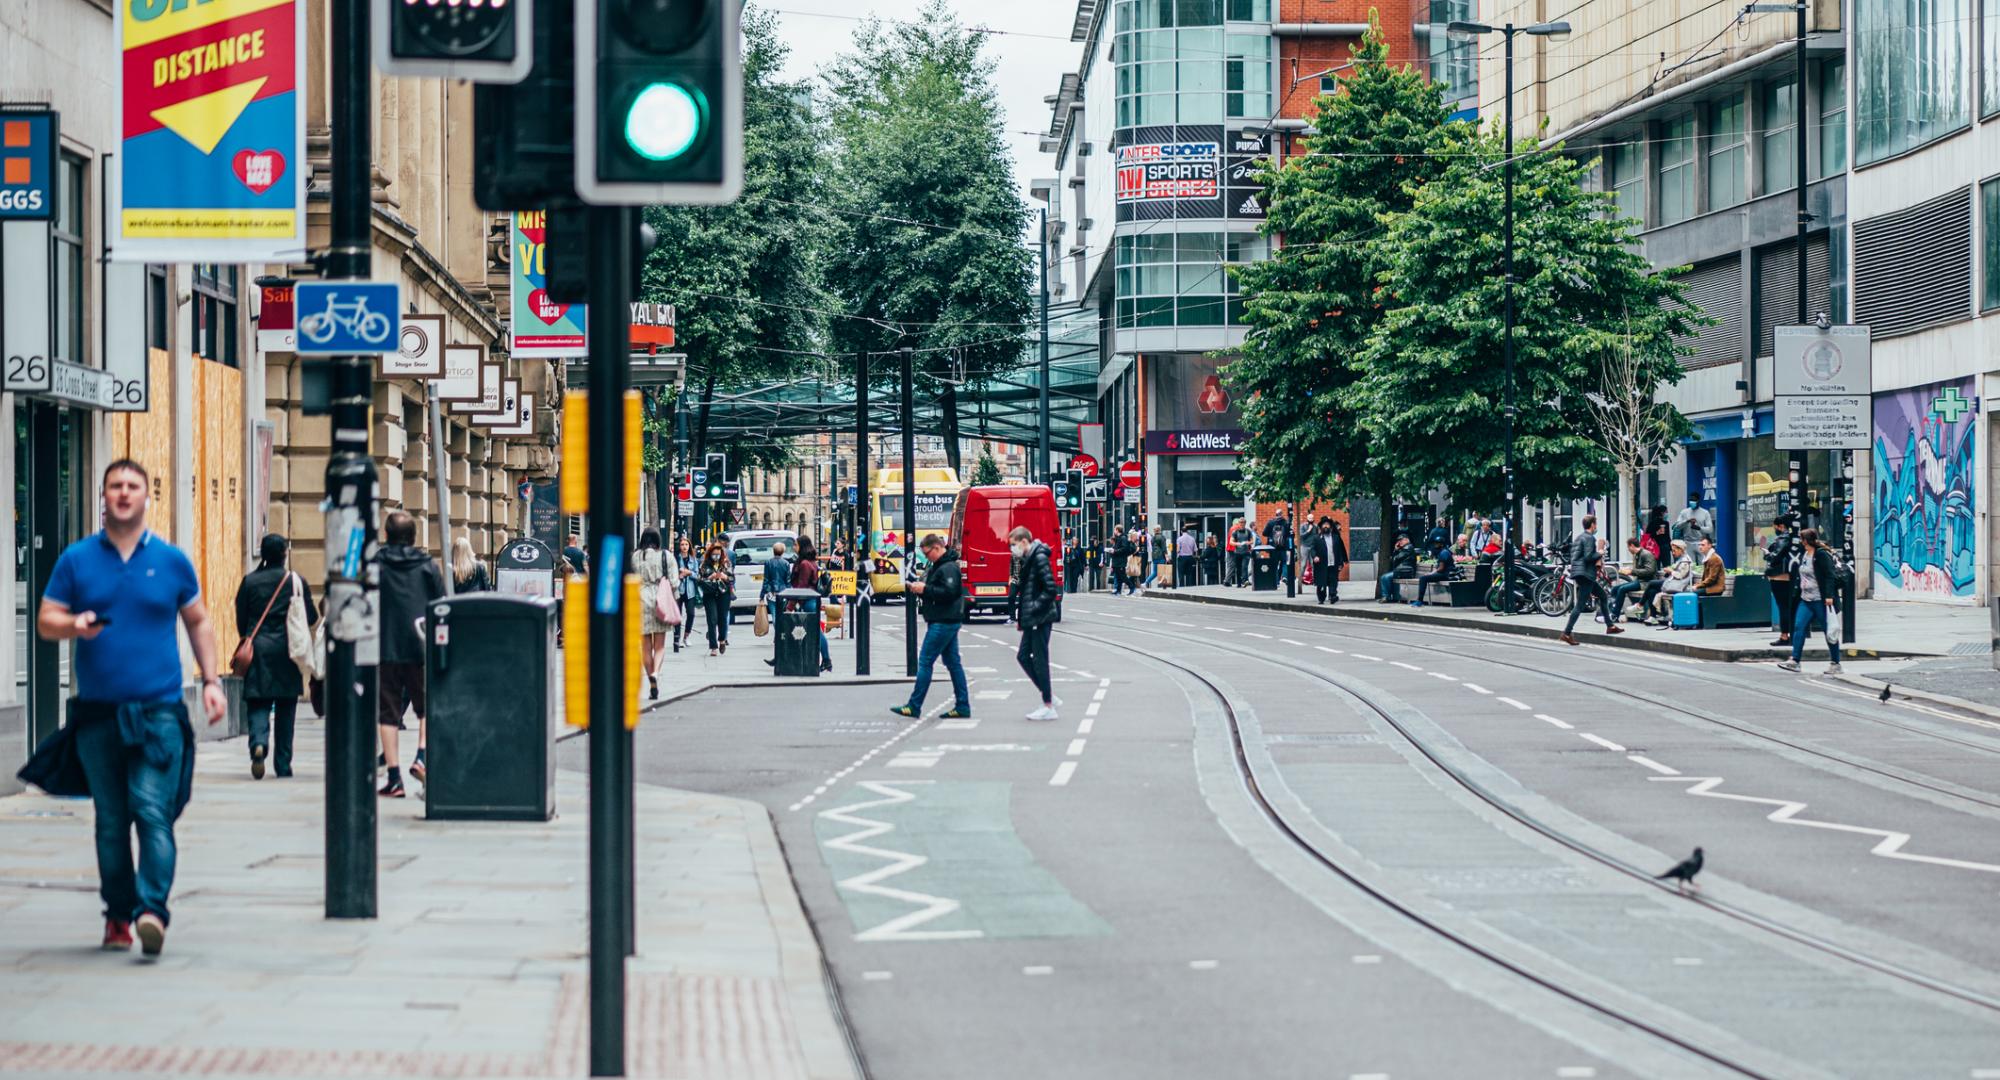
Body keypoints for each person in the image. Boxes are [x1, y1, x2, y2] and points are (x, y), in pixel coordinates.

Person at [22, 459, 226, 958]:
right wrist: (74, 626)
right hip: (97, 716)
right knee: (112, 821)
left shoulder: (173, 561)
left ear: (146, 497)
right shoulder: (77, 560)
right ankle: (118, 913)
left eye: (132, 485)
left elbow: (198, 620)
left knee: (153, 811)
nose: (124, 493)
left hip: (158, 713)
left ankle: (151, 910)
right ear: (103, 496)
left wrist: (213, 681)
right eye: (115, 485)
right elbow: (47, 619)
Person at [233, 533, 316, 779]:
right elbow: (310, 617)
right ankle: (283, 764)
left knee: (258, 702)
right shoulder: (295, 581)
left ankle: (258, 743)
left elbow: (241, 620)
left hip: (258, 649)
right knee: (286, 708)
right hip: (288, 651)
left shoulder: (249, 582)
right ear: (284, 554)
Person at [377, 511, 446, 797]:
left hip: (386, 647)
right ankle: (421, 756)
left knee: (388, 713)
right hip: (421, 646)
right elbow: (441, 605)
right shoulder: (428, 566)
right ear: (414, 536)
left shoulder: (375, 564)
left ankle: (394, 777)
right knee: (426, 707)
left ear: (387, 535)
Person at [892, 533, 972, 719]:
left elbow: (950, 593)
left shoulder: (949, 567)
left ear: (937, 548)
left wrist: (925, 589)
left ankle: (914, 705)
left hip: (943, 621)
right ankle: (962, 705)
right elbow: (941, 593)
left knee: (926, 661)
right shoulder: (941, 566)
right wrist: (921, 590)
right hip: (946, 619)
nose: (926, 557)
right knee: (953, 664)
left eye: (927, 553)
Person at [1008, 526, 1061, 721]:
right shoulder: (1028, 559)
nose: (1012, 549)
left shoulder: (1038, 558)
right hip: (1033, 618)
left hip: (1041, 617)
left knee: (1040, 659)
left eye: (1013, 545)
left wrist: (1034, 607)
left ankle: (1048, 704)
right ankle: (1048, 695)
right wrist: (1022, 618)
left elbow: (1050, 588)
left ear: (1023, 541)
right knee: (1023, 656)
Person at [1777, 527, 1845, 675]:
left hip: (1821, 600)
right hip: (1806, 599)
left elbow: (1829, 576)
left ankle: (1835, 663)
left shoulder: (1821, 555)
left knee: (1829, 631)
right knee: (1798, 627)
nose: (1800, 542)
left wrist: (1829, 596)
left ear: (1806, 540)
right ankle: (1795, 661)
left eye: (1802, 539)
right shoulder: (1805, 554)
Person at [1561, 515, 1624, 645]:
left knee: (1603, 596)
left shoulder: (1579, 537)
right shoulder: (1589, 538)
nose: (1596, 527)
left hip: (1580, 573)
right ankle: (1567, 633)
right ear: (1592, 525)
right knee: (1579, 605)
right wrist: (1600, 552)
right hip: (1586, 574)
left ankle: (1610, 626)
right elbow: (1588, 557)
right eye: (1596, 524)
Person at [633, 529, 670, 701]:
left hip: (639, 600)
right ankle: (656, 673)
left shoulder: (636, 557)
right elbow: (675, 581)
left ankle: (650, 678)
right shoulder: (665, 556)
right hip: (660, 600)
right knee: (660, 645)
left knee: (645, 646)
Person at [789, 536, 834, 672]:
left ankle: (826, 660)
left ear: (801, 546)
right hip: (809, 600)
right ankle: (823, 660)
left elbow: (801, 587)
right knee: (812, 631)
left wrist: (790, 605)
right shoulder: (808, 562)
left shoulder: (805, 564)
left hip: (807, 601)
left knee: (816, 632)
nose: (793, 547)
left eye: (795, 545)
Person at [1764, 514, 1801, 648]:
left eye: (1776, 527)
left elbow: (1775, 557)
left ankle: (1785, 635)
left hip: (1780, 576)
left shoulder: (1783, 538)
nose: (1775, 529)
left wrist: (1768, 555)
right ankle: (1790, 634)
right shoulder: (1795, 537)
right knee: (1789, 606)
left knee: (1783, 607)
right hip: (1790, 576)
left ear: (1781, 526)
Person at [1607, 537, 1658, 626]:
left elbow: (1650, 571)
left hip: (1646, 583)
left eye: (1628, 547)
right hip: (1639, 580)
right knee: (1615, 588)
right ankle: (1614, 610)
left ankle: (1615, 615)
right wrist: (1629, 570)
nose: (1628, 549)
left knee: (1622, 589)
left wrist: (1632, 571)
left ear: (1632, 546)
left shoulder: (1646, 554)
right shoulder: (1637, 555)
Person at [697, 542, 734, 656]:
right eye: (714, 554)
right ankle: (713, 647)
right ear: (710, 554)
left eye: (718, 554)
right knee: (712, 620)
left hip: (724, 594)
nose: (716, 556)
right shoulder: (704, 564)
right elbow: (699, 580)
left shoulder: (726, 563)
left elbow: (732, 578)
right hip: (710, 594)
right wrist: (710, 577)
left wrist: (724, 576)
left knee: (722, 618)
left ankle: (722, 640)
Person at [1649, 539, 1695, 625]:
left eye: (1674, 550)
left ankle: (1641, 606)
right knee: (1652, 590)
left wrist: (1670, 571)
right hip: (1673, 583)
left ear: (1680, 549)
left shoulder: (1685, 560)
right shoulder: (1681, 559)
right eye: (1672, 550)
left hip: (1679, 586)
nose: (1673, 553)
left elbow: (1680, 575)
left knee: (1651, 584)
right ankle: (1653, 616)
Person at [672, 535, 701, 652]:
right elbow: (671, 574)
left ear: (689, 546)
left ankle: (686, 636)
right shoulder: (675, 559)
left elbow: (697, 575)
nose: (684, 547)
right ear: (679, 547)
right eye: (682, 545)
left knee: (691, 613)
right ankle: (677, 639)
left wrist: (689, 573)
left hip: (690, 591)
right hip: (678, 590)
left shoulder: (693, 559)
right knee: (677, 616)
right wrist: (679, 576)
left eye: (686, 545)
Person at [1309, 517, 1348, 604]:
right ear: (1321, 527)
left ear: (1330, 527)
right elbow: (1312, 549)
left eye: (1327, 525)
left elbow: (1340, 550)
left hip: (1333, 563)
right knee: (1321, 582)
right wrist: (1314, 556)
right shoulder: (1317, 538)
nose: (1326, 526)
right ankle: (1321, 598)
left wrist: (1343, 561)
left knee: (1333, 580)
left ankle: (1332, 595)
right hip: (1321, 564)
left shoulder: (1336, 537)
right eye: (1324, 525)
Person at [1411, 536, 1457, 607]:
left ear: (1441, 544)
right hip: (1444, 573)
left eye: (1437, 543)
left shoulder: (1443, 553)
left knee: (1423, 578)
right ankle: (1419, 600)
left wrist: (1430, 574)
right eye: (1435, 543)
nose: (1435, 545)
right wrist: (1431, 573)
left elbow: (1441, 568)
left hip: (1446, 575)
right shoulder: (1444, 551)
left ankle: (1420, 601)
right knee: (1425, 577)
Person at [1263, 509, 1294, 596]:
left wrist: (1270, 534)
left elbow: (1264, 533)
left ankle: (1276, 582)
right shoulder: (1286, 523)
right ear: (1282, 514)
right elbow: (1290, 533)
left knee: (1274, 565)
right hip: (1283, 547)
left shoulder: (1271, 523)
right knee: (1284, 562)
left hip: (1273, 548)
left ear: (1275, 514)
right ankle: (1284, 576)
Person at [1377, 535, 1416, 602]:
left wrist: (1396, 550)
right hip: (1402, 570)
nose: (1399, 542)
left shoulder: (1408, 547)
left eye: (1401, 540)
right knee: (1385, 577)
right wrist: (1396, 550)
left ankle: (1386, 597)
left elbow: (1396, 558)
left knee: (1385, 577)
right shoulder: (1403, 548)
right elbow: (1395, 559)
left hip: (1406, 571)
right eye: (1398, 540)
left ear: (1407, 540)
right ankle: (1387, 597)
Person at [760, 541, 792, 606]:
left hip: (771, 592)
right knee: (781, 614)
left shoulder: (768, 563)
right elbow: (788, 580)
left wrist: (762, 595)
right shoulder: (786, 563)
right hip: (783, 592)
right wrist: (789, 595)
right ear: (783, 552)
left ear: (773, 551)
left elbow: (766, 580)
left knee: (774, 614)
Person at [1110, 526, 1135, 596]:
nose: (1114, 531)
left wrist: (1115, 551)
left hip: (1121, 560)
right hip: (1116, 560)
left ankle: (1132, 587)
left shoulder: (1123, 538)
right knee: (1118, 576)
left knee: (1123, 576)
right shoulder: (1118, 538)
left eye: (1115, 530)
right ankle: (1118, 590)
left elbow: (1124, 549)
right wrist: (1112, 550)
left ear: (1117, 530)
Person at [1228, 519, 1254, 586]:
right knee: (1238, 568)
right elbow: (1231, 542)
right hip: (1237, 553)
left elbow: (1252, 541)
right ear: (1238, 523)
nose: (1242, 524)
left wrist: (1247, 542)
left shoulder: (1248, 531)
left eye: (1243, 522)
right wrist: (1237, 544)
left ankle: (1245, 581)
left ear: (1245, 523)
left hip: (1246, 553)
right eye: (1240, 522)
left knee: (1244, 566)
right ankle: (1239, 583)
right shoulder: (1235, 532)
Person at [1176, 524, 1198, 589]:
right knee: (1189, 573)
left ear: (1181, 532)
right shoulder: (1192, 539)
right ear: (1187, 531)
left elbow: (1177, 550)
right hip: (1190, 557)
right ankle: (1189, 587)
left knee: (1181, 573)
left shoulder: (1179, 539)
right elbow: (1195, 549)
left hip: (1182, 557)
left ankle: (1182, 587)